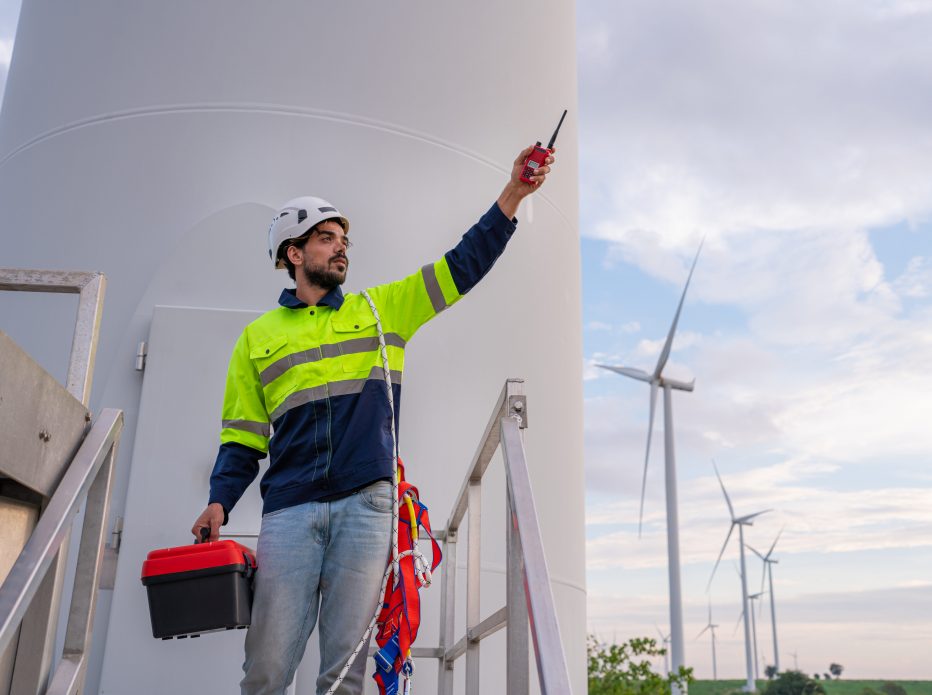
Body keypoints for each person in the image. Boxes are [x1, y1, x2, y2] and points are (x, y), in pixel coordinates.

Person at [191, 144, 556, 695]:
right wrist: (220, 499)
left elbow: (462, 265)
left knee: (345, 675)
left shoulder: (383, 309)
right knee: (265, 670)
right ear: (293, 252)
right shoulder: (256, 339)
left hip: (367, 506)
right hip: (289, 510)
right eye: (326, 238)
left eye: (344, 241)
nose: (341, 250)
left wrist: (513, 195)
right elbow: (242, 437)